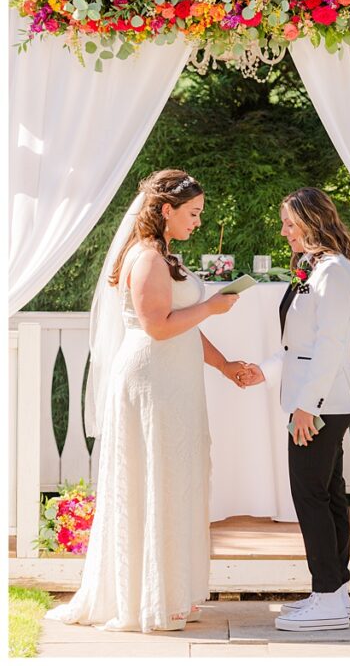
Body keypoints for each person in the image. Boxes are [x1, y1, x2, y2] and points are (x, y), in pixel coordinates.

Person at [46, 170, 247, 632]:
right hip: (151, 380)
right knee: (156, 477)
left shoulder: (166, 256)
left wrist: (224, 365)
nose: (198, 221)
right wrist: (212, 306)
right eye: (193, 213)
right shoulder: (147, 258)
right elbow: (157, 326)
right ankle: (147, 600)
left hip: (175, 379)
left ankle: (173, 593)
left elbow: (184, 328)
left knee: (178, 478)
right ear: (166, 210)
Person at [242, 187, 350, 632]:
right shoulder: (314, 270)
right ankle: (333, 594)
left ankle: (327, 596)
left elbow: (330, 346)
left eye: (290, 223)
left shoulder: (335, 272)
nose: (284, 231)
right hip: (317, 401)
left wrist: (307, 407)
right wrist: (263, 371)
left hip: (323, 404)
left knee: (310, 496)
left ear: (313, 221)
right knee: (327, 495)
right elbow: (299, 347)